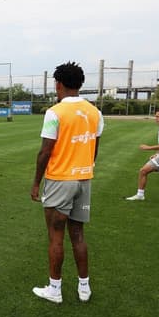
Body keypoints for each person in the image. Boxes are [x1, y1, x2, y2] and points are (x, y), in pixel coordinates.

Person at [30, 62, 103, 304]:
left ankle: (55, 289)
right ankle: (84, 288)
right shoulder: (95, 112)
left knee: (55, 235)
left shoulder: (55, 112)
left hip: (60, 179)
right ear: (80, 84)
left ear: (58, 83)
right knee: (79, 235)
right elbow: (94, 149)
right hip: (84, 179)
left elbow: (45, 151)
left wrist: (35, 183)